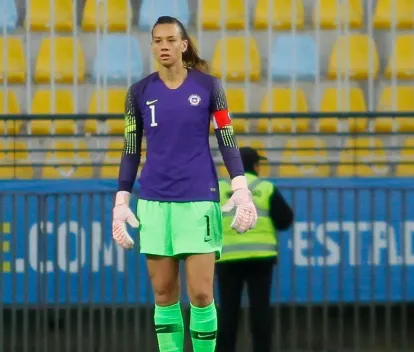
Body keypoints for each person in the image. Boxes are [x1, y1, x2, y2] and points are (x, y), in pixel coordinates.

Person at [111, 16, 258, 352]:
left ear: (183, 44)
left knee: (202, 294)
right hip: (153, 201)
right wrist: (121, 201)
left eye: (169, 40)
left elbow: (227, 137)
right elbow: (131, 148)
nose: (163, 46)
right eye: (157, 40)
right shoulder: (138, 93)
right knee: (163, 293)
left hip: (198, 200)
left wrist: (241, 187)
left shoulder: (209, 87)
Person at [216, 147, 294, 352]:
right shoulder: (265, 187)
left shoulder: (218, 188)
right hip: (261, 258)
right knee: (260, 310)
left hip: (227, 258)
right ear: (256, 166)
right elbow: (285, 219)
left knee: (227, 312)